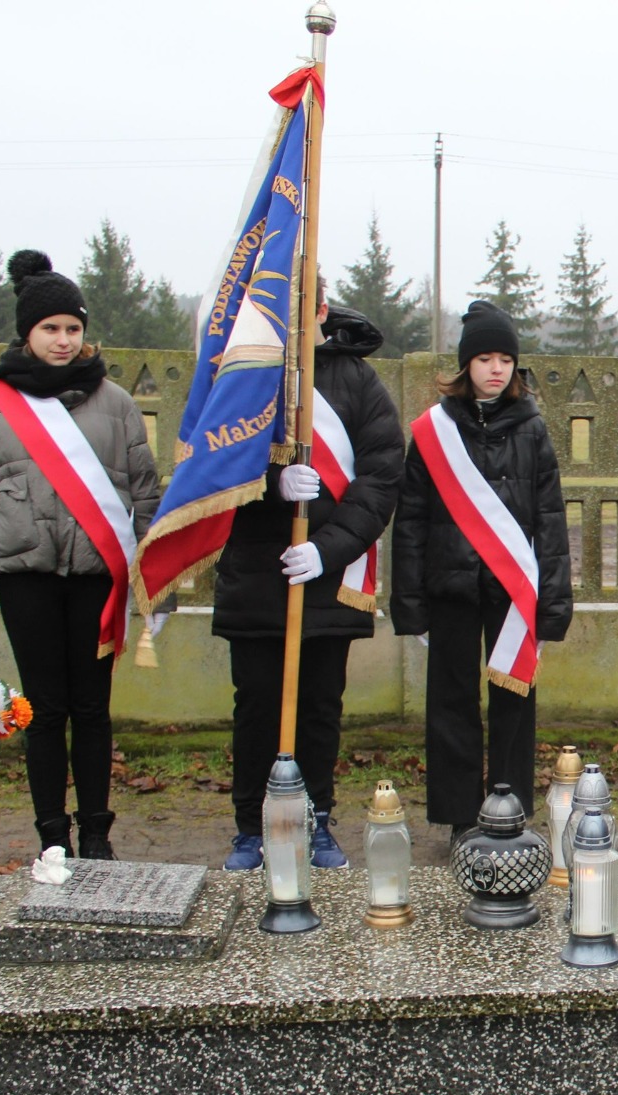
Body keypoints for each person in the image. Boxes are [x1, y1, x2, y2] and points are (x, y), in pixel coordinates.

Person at [0, 251, 160, 859]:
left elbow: (145, 496)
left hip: (97, 578)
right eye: (50, 329)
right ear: (27, 333)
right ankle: (51, 837)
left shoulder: (115, 402)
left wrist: (156, 588)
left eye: (73, 328)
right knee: (43, 711)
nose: (63, 340)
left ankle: (95, 833)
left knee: (92, 709)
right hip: (27, 578)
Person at [215, 280, 403, 872]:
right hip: (256, 572)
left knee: (320, 707)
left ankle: (318, 819)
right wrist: (272, 486)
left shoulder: (358, 382)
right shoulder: (244, 377)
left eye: (302, 308)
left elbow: (381, 477)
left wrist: (328, 549)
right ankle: (251, 828)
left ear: (321, 309)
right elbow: (214, 465)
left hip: (328, 575)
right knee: (257, 707)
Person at [389, 301, 571, 830]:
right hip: (450, 587)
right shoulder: (433, 432)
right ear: (465, 364)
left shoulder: (533, 429)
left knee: (514, 699)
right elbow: (411, 521)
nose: (497, 369)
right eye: (486, 358)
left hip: (511, 591)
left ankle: (508, 810)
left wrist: (553, 603)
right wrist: (410, 603)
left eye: (506, 360)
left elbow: (551, 521)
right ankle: (459, 818)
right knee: (451, 704)